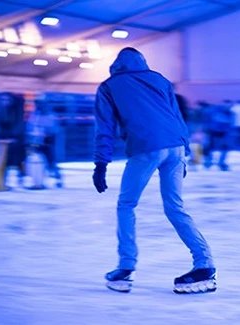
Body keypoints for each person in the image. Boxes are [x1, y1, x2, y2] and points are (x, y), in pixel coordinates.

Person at [92, 47, 216, 294]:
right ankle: (204, 263)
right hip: (176, 147)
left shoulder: (109, 86)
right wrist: (186, 153)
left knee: (126, 204)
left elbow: (105, 127)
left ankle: (126, 266)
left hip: (147, 147)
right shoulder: (160, 79)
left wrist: (101, 164)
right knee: (175, 207)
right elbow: (176, 115)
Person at [26, 95, 63, 188]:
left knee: (50, 159)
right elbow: (30, 126)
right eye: (37, 103)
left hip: (48, 141)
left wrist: (46, 132)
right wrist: (32, 134)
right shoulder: (35, 114)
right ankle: (38, 180)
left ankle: (57, 178)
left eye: (39, 103)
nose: (38, 105)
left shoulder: (49, 114)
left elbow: (54, 129)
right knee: (37, 161)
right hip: (37, 141)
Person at [201, 100, 234, 170]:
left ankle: (221, 162)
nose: (227, 107)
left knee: (224, 148)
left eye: (229, 105)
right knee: (209, 147)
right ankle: (208, 161)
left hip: (223, 133)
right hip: (212, 131)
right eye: (226, 105)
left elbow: (231, 123)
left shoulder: (230, 113)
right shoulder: (215, 112)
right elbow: (209, 120)